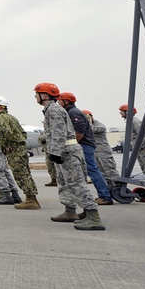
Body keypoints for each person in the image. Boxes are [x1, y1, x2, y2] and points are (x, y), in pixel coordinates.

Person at [36, 82, 104, 230]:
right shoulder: (51, 109)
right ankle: (70, 211)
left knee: (76, 184)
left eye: (37, 93)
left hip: (67, 151)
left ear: (45, 95)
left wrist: (55, 152)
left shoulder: (53, 110)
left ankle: (93, 217)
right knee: (65, 183)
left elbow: (59, 132)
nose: (35, 96)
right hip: (65, 150)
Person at [59, 93, 111, 205]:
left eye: (60, 100)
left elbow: (79, 131)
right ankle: (103, 195)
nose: (58, 102)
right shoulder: (71, 112)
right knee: (91, 170)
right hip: (84, 145)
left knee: (92, 170)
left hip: (85, 145)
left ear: (66, 102)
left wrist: (74, 145)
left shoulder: (73, 112)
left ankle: (105, 196)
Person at [0, 96, 40, 210]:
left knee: (21, 174)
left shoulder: (2, 118)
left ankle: (30, 200)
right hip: (19, 148)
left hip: (14, 150)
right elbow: (22, 133)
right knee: (25, 173)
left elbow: (6, 133)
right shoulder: (11, 117)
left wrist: (6, 145)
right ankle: (32, 198)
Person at [87, 110, 120, 191]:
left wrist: (88, 122)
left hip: (103, 151)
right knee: (102, 173)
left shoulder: (99, 125)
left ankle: (119, 188)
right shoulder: (87, 126)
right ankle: (110, 189)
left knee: (110, 170)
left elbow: (94, 130)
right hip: (95, 151)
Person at [119, 104, 145, 173]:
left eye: (121, 111)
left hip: (143, 149)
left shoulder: (134, 121)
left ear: (127, 111)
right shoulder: (129, 121)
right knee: (144, 169)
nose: (120, 113)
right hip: (138, 149)